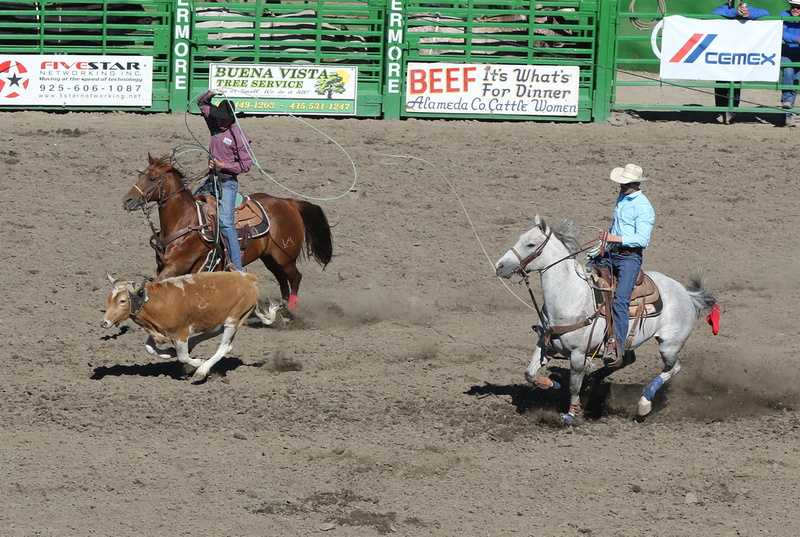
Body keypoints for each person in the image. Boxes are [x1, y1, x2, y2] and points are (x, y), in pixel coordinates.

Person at [595, 164, 656, 368]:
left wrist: (614, 237)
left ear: (637, 184)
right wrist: (604, 242)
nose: (622, 185)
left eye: (627, 183)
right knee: (585, 272)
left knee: (620, 300)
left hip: (630, 258)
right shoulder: (621, 198)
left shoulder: (644, 207)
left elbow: (642, 240)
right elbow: (617, 226)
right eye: (622, 181)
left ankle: (616, 345)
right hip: (612, 250)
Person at [194, 90, 253, 271]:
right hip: (211, 179)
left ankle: (237, 266)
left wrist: (222, 164)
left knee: (226, 222)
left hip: (227, 182)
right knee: (191, 205)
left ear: (231, 119)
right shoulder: (214, 123)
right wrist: (211, 93)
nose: (219, 121)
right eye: (218, 118)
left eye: (223, 119)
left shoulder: (239, 137)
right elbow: (201, 103)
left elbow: (246, 166)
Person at [711, 1, 770, 124]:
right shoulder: (724, 8)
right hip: (723, 53)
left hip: (739, 54)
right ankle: (720, 112)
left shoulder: (747, 8)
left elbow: (766, 13)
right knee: (720, 83)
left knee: (735, 83)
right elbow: (715, 13)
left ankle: (731, 112)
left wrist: (749, 13)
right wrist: (734, 12)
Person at [780, 0, 800, 127]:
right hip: (786, 53)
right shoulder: (784, 15)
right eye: (793, 7)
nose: (795, 9)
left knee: (796, 81)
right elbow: (782, 32)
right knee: (788, 71)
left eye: (798, 8)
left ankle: (787, 114)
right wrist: (796, 39)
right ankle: (786, 103)